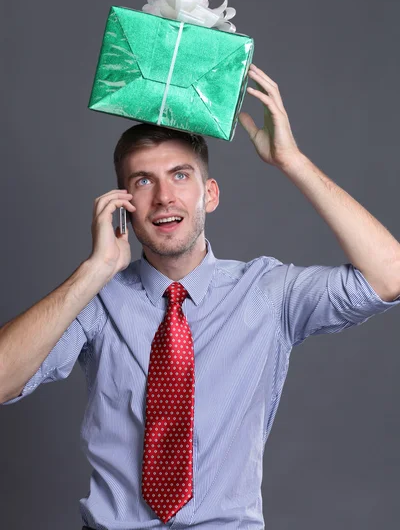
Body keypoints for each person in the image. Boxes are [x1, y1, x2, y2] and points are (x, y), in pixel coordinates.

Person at [1, 63, 399, 529]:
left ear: (209, 194)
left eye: (180, 176)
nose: (165, 197)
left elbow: (390, 276)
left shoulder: (268, 291)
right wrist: (92, 272)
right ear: (123, 203)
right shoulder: (96, 301)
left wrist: (290, 160)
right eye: (143, 181)